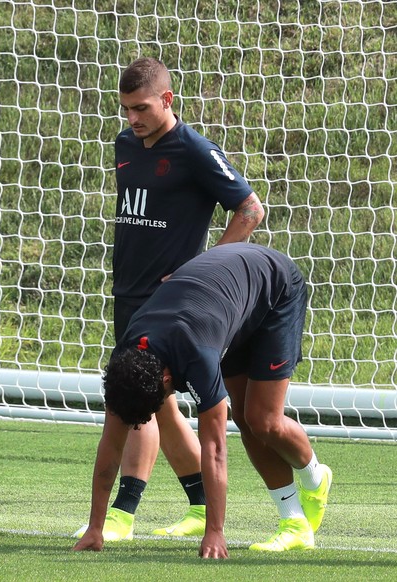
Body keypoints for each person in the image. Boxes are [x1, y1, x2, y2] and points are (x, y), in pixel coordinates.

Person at [74, 57, 266, 542]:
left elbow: (249, 210)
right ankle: (200, 506)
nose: (132, 119)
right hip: (128, 292)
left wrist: (201, 272)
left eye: (141, 108)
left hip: (173, 304)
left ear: (167, 100)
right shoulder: (125, 144)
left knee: (133, 400)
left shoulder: (196, 151)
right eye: (125, 110)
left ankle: (121, 515)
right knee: (156, 403)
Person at [74, 243, 333, 558]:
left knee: (263, 419)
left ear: (167, 380)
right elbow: (111, 446)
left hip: (274, 289)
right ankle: (295, 523)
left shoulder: (197, 356)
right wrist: (95, 527)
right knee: (244, 416)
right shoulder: (125, 363)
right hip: (225, 302)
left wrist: (214, 531)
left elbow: (215, 449)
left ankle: (314, 477)